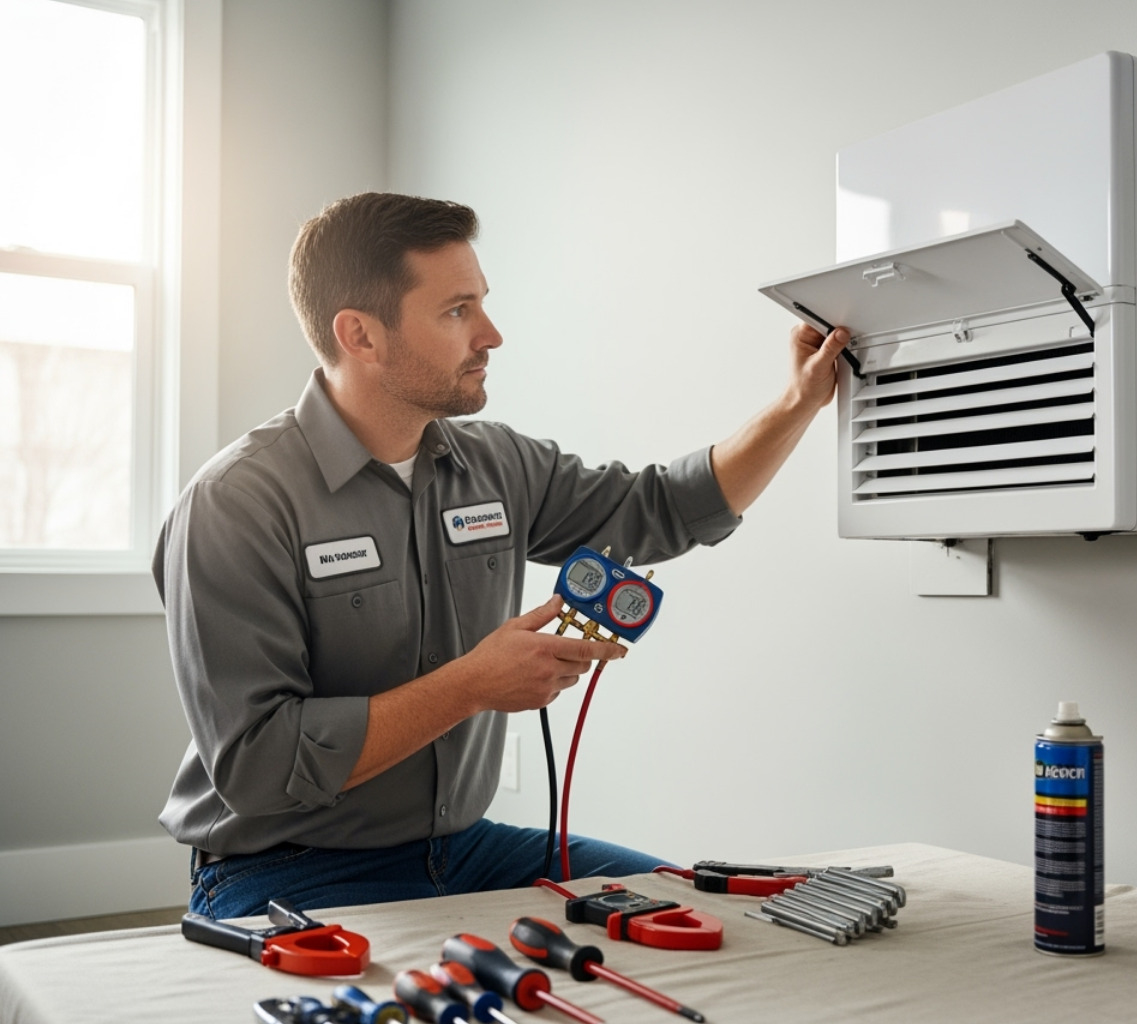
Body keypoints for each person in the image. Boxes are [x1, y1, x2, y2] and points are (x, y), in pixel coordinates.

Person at [155, 192, 847, 918]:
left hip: (466, 849)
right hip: (288, 870)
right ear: (360, 335)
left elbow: (661, 509)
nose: (491, 335)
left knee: (695, 915)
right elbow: (260, 767)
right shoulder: (235, 504)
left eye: (482, 304)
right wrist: (471, 686)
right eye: (457, 311)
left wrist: (799, 402)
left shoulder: (498, 466)